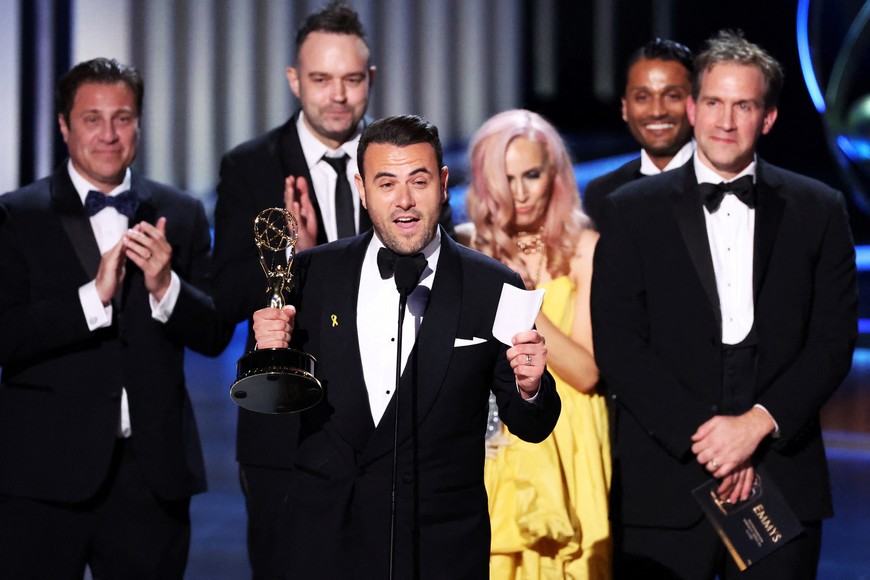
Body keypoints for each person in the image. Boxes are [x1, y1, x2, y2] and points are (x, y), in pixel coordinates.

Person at [591, 30, 857, 579]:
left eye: (744, 105)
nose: (725, 121)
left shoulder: (819, 208)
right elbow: (620, 344)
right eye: (713, 102)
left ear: (769, 118)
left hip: (779, 477)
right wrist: (712, 442)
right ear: (693, 108)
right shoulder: (628, 211)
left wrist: (756, 425)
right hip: (664, 484)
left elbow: (832, 341)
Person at [250, 114, 561, 579]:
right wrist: (264, 353)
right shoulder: (313, 275)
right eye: (386, 183)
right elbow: (268, 409)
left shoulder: (493, 285)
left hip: (438, 549)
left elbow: (531, 425)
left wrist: (532, 386)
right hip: (325, 543)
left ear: (442, 183)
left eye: (419, 181)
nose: (404, 201)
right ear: (361, 188)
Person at [211, 4, 453, 575]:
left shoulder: (400, 163)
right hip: (289, 434)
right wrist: (298, 259)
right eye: (321, 79)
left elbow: (435, 272)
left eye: (351, 79)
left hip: (391, 433)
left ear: (370, 80)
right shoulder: (250, 167)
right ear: (296, 81)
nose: (337, 95)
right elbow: (225, 297)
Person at [0, 58, 231, 579]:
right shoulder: (17, 215)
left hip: (151, 479)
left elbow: (216, 333)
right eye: (92, 118)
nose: (109, 134)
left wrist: (165, 286)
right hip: (42, 478)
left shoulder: (184, 213)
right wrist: (92, 299)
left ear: (139, 125)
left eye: (123, 118)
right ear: (64, 125)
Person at [462, 109, 610, 578]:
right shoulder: (466, 246)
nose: (520, 192)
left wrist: (528, 302)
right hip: (490, 441)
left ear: (556, 175)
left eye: (532, 174)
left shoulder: (585, 248)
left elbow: (587, 372)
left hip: (569, 437)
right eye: (506, 178)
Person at [583, 38, 695, 225]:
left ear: (695, 103)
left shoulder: (723, 182)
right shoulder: (602, 192)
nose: (657, 111)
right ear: (625, 108)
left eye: (672, 96)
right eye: (642, 97)